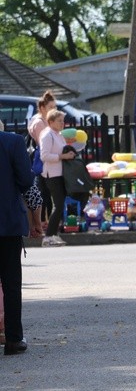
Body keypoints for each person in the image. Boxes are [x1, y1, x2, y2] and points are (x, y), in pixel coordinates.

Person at [1, 126, 43, 355]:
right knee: (10, 283)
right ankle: (13, 339)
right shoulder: (14, 142)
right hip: (7, 223)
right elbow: (27, 182)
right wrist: (36, 221)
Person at [39, 109, 78, 247]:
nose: (62, 123)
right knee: (58, 204)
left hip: (61, 173)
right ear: (50, 122)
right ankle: (48, 236)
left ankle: (54, 234)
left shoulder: (58, 135)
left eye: (63, 120)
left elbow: (61, 150)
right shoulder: (47, 135)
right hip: (52, 174)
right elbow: (44, 156)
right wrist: (63, 156)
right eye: (59, 121)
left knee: (60, 205)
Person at [27, 90, 57, 226]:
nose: (54, 110)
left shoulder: (47, 121)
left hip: (49, 162)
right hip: (42, 163)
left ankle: (48, 222)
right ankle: (44, 223)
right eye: (51, 107)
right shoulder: (39, 123)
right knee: (44, 194)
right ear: (42, 108)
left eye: (55, 107)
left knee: (48, 194)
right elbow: (43, 144)